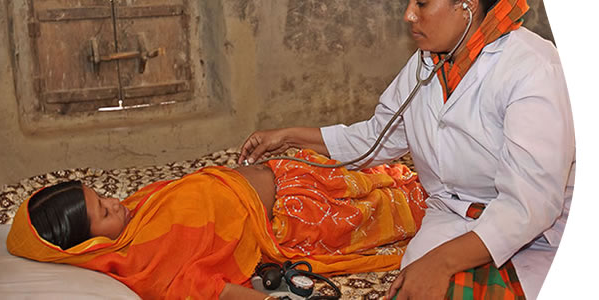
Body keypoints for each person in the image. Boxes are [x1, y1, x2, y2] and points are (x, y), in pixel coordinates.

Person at [238, 0, 575, 299]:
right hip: (454, 218)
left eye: (422, 3)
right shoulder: (427, 64)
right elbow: (374, 137)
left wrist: (441, 262)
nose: (408, 15)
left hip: (540, 235)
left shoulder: (532, 68)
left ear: (467, 6)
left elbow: (530, 206)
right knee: (414, 290)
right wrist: (287, 137)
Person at [7, 149, 427, 300]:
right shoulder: (148, 264)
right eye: (103, 212)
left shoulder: (134, 214)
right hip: (303, 218)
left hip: (293, 176)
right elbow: (208, 289)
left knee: (400, 175)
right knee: (410, 208)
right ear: (86, 246)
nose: (116, 202)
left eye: (102, 196)